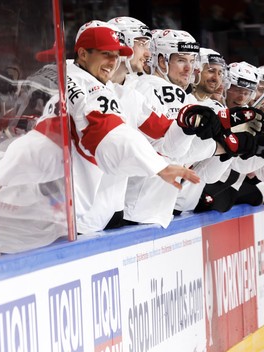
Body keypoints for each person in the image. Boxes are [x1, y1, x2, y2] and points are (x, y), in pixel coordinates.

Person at [66, 20, 201, 233]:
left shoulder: (126, 94)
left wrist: (192, 123)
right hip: (76, 212)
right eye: (142, 44)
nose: (147, 52)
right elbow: (109, 133)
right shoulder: (72, 80)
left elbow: (165, 135)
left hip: (106, 211)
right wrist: (159, 167)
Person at [108, 16, 153, 83]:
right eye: (142, 44)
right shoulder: (88, 86)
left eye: (147, 46)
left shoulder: (140, 89)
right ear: (122, 43)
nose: (148, 55)